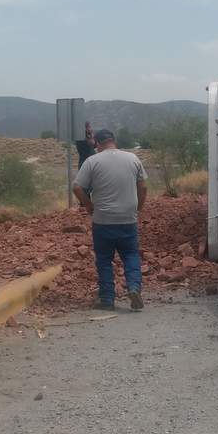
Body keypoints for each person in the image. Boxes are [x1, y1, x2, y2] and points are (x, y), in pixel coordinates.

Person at [72, 128, 147, 311]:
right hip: (128, 219)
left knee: (104, 259)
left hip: (103, 220)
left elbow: (77, 187)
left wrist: (88, 205)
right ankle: (134, 287)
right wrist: (138, 208)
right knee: (130, 255)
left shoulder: (92, 161)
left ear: (97, 143)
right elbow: (143, 187)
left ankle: (106, 298)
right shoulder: (133, 159)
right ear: (114, 141)